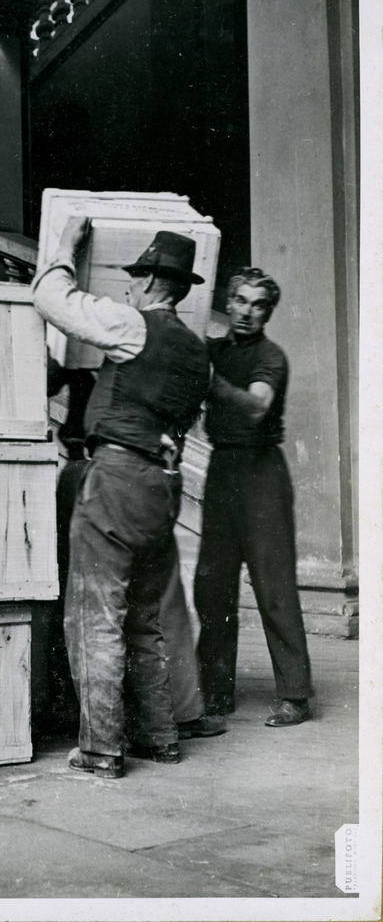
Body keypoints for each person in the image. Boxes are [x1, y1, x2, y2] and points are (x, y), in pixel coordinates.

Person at [32, 217, 213, 778]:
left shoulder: (133, 327)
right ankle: (160, 737)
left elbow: (51, 298)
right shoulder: (196, 351)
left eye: (135, 278)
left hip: (116, 478)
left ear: (154, 284)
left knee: (95, 615)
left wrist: (64, 247)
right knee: (143, 619)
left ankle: (101, 748)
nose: (127, 287)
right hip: (163, 487)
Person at [193, 267, 313, 727]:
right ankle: (215, 690)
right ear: (229, 301)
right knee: (213, 584)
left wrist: (210, 380)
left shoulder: (271, 357)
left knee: (274, 584)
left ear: (268, 311)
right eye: (239, 300)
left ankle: (295, 694)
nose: (245, 311)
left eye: (256, 304)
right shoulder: (215, 351)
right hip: (222, 470)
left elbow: (259, 404)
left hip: (262, 473)